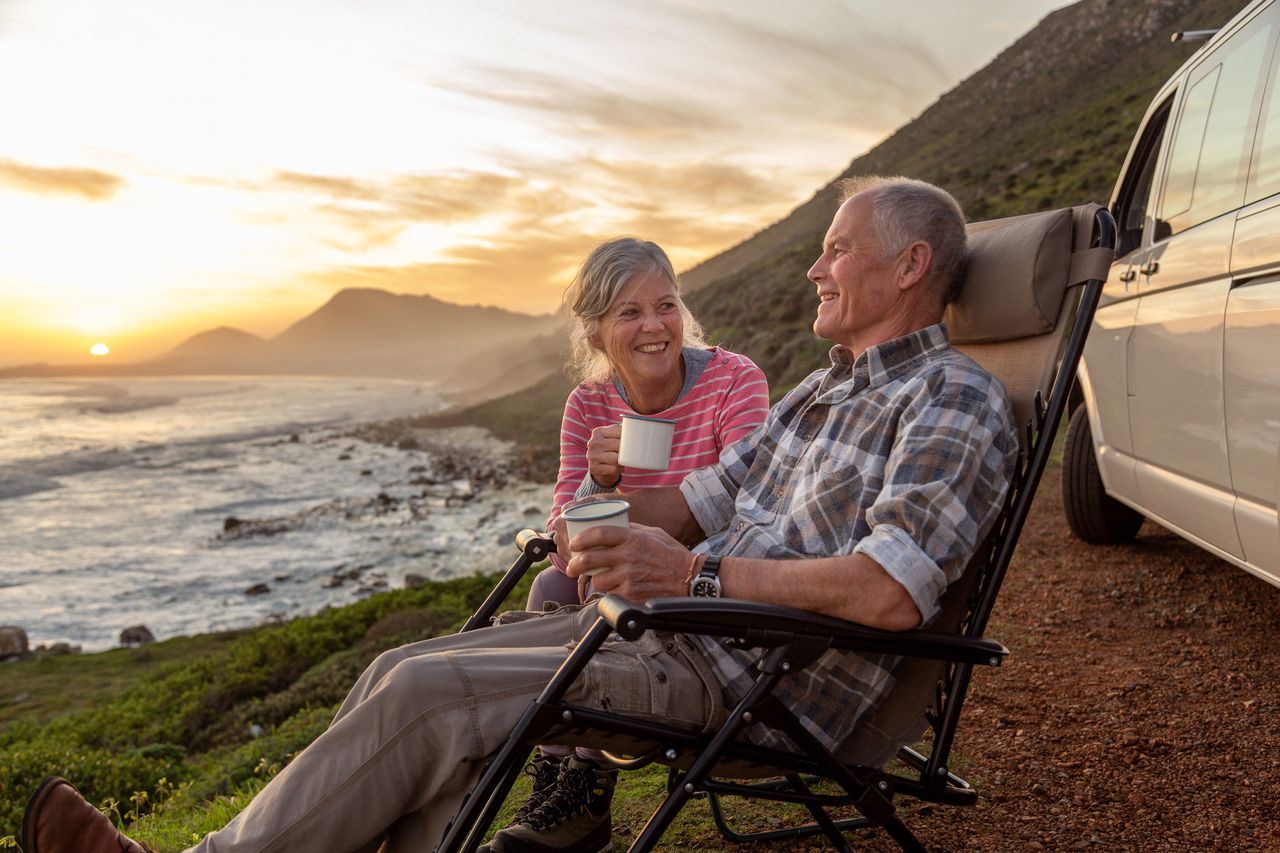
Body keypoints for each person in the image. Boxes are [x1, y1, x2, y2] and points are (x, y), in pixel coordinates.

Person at [22, 176, 1018, 853]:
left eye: (835, 249)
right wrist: (608, 511)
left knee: (430, 699)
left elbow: (888, 594)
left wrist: (695, 577)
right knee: (396, 665)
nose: (813, 267)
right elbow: (693, 504)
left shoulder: (949, 397)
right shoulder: (821, 390)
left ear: (905, 265)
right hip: (685, 634)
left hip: (758, 674)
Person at [529, 237, 770, 610]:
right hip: (611, 584)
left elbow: (752, 508)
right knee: (550, 585)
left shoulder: (734, 381)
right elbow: (562, 552)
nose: (654, 325)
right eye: (630, 313)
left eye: (666, 306)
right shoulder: (585, 404)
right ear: (596, 335)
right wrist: (598, 481)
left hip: (702, 581)